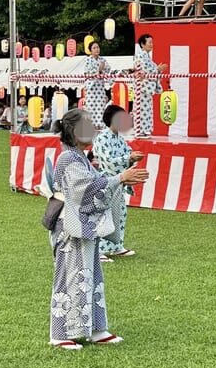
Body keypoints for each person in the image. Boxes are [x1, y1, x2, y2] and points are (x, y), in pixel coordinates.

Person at [46, 107, 149, 349]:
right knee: (68, 277)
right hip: (69, 225)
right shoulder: (68, 158)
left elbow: (94, 182)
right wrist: (119, 179)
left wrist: (117, 178)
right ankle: (59, 334)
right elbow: (85, 190)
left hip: (81, 224)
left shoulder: (78, 157)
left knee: (90, 276)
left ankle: (96, 329)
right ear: (73, 131)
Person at [91, 104, 144, 260]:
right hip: (104, 182)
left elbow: (127, 156)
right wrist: (128, 158)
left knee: (119, 214)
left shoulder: (120, 140)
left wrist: (132, 158)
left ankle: (116, 246)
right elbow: (107, 162)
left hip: (118, 184)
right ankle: (96, 250)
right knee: (102, 215)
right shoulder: (101, 138)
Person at [133, 34, 165, 138]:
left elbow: (150, 69)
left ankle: (145, 130)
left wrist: (157, 69)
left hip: (146, 87)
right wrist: (157, 69)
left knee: (147, 109)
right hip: (142, 87)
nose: (152, 44)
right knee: (141, 109)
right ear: (142, 44)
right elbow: (144, 70)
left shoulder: (146, 56)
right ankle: (140, 131)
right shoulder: (140, 55)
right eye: (149, 42)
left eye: (152, 42)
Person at [83, 42, 111, 129]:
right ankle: (91, 125)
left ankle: (100, 125)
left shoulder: (102, 59)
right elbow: (87, 71)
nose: (97, 49)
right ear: (90, 50)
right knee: (91, 106)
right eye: (94, 48)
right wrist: (98, 69)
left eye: (98, 47)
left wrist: (102, 70)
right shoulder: (88, 60)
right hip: (91, 86)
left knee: (100, 105)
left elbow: (108, 69)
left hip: (100, 86)